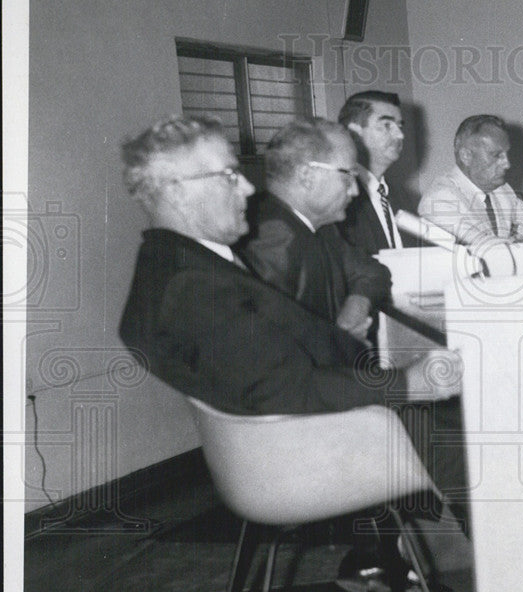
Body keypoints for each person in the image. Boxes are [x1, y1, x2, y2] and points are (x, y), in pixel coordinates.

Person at [118, 114, 458, 417]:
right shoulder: (193, 286)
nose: (250, 188)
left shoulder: (189, 265)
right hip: (340, 430)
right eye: (230, 175)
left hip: (350, 401)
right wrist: (408, 383)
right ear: (177, 192)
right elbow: (287, 388)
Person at [236, 117, 389, 345]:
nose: (355, 191)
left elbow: (372, 271)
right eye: (348, 177)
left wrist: (357, 302)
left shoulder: (321, 227)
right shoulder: (269, 239)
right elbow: (274, 346)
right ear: (307, 176)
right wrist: (339, 340)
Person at [418, 114, 523, 246]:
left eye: (506, 154)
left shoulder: (501, 191)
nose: (507, 164)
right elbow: (490, 249)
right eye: (497, 155)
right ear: (466, 156)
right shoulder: (439, 200)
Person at [338, 90, 418, 255]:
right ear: (354, 132)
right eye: (387, 125)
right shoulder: (340, 200)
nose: (400, 135)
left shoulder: (403, 198)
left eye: (400, 125)